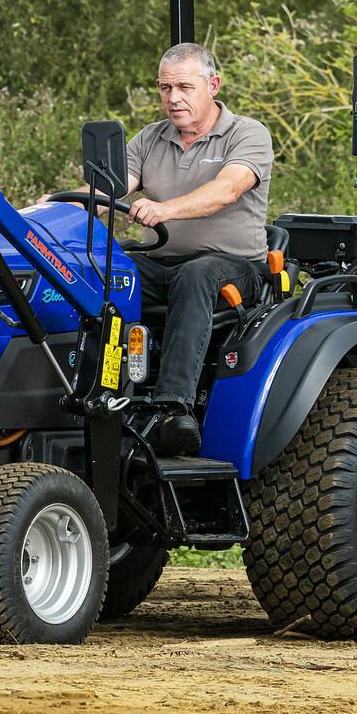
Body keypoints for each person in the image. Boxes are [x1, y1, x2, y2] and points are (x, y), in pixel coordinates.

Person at [124, 43, 274, 456]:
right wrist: (45, 209)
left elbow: (226, 191)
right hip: (159, 264)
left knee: (197, 274)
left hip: (235, 269)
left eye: (185, 87)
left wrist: (164, 209)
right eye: (165, 88)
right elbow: (106, 189)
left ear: (212, 85)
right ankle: (99, 393)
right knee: (104, 271)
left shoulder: (248, 134)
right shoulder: (149, 139)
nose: (174, 98)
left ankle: (172, 412)